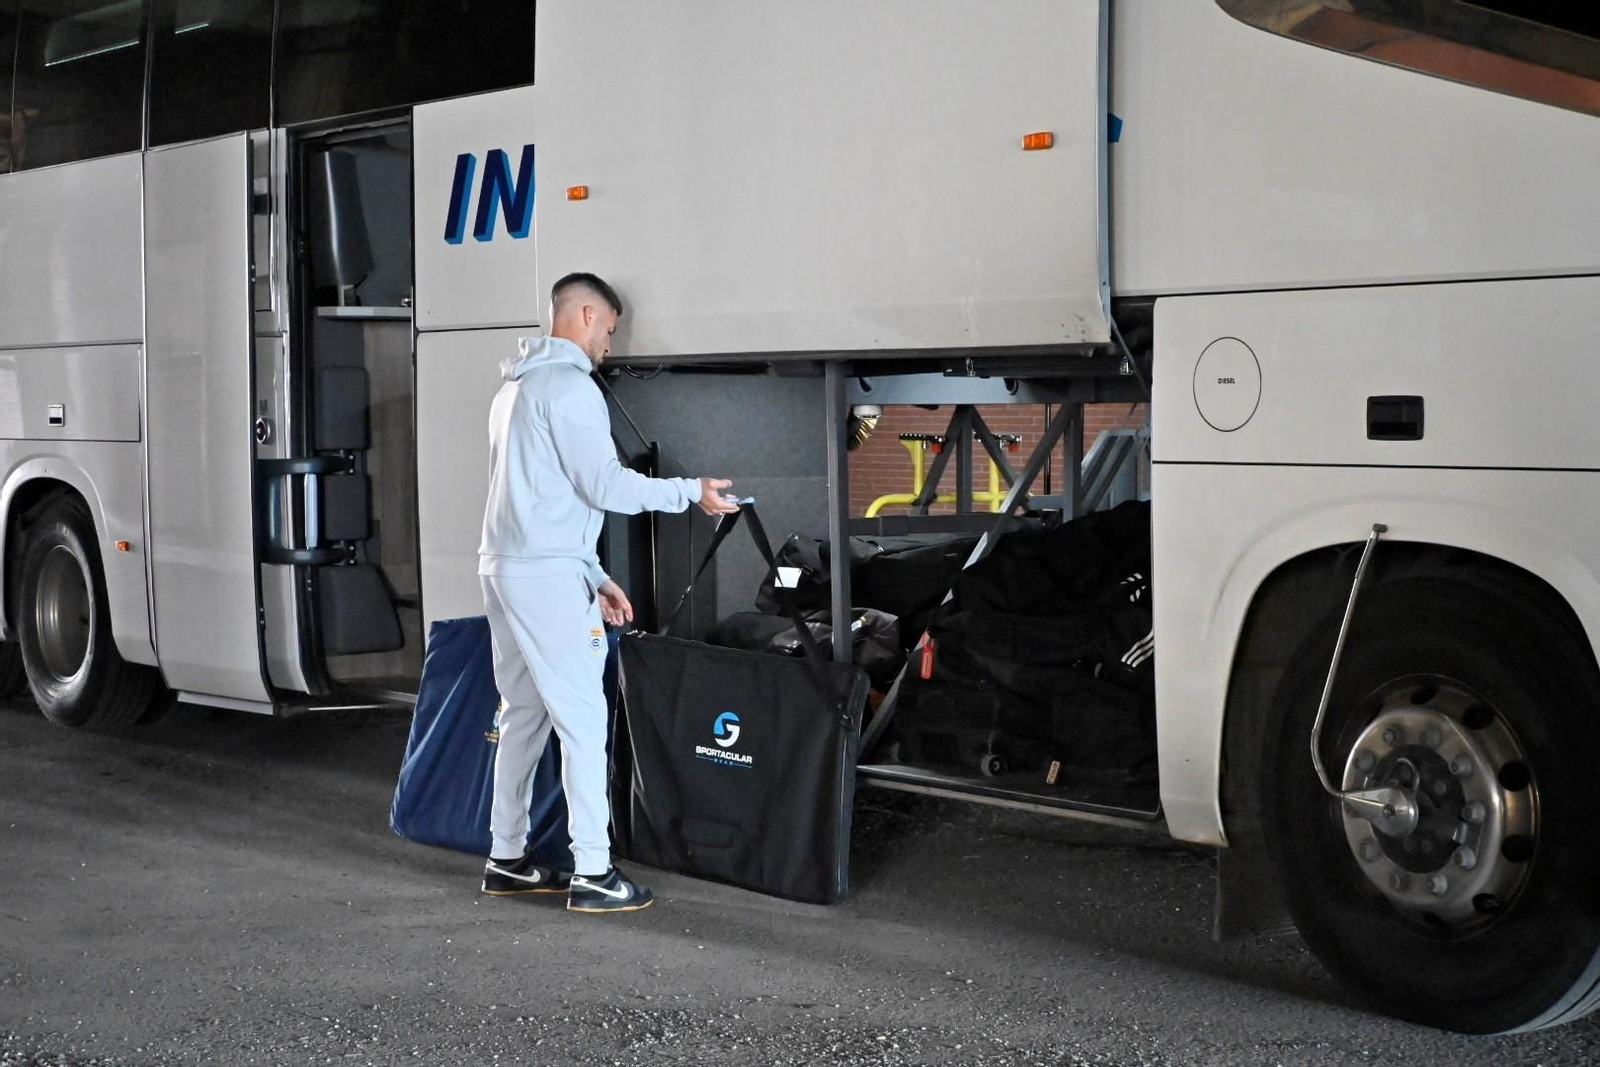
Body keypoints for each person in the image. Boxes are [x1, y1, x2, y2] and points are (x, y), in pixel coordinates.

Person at [477, 272, 738, 913]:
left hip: (506, 567)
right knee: (583, 722)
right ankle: (593, 871)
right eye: (610, 332)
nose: (609, 348)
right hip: (543, 575)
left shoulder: (513, 389)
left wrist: (593, 577)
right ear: (586, 314)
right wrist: (688, 492)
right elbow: (607, 487)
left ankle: (506, 857)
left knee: (523, 717)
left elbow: (542, 499)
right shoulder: (569, 387)